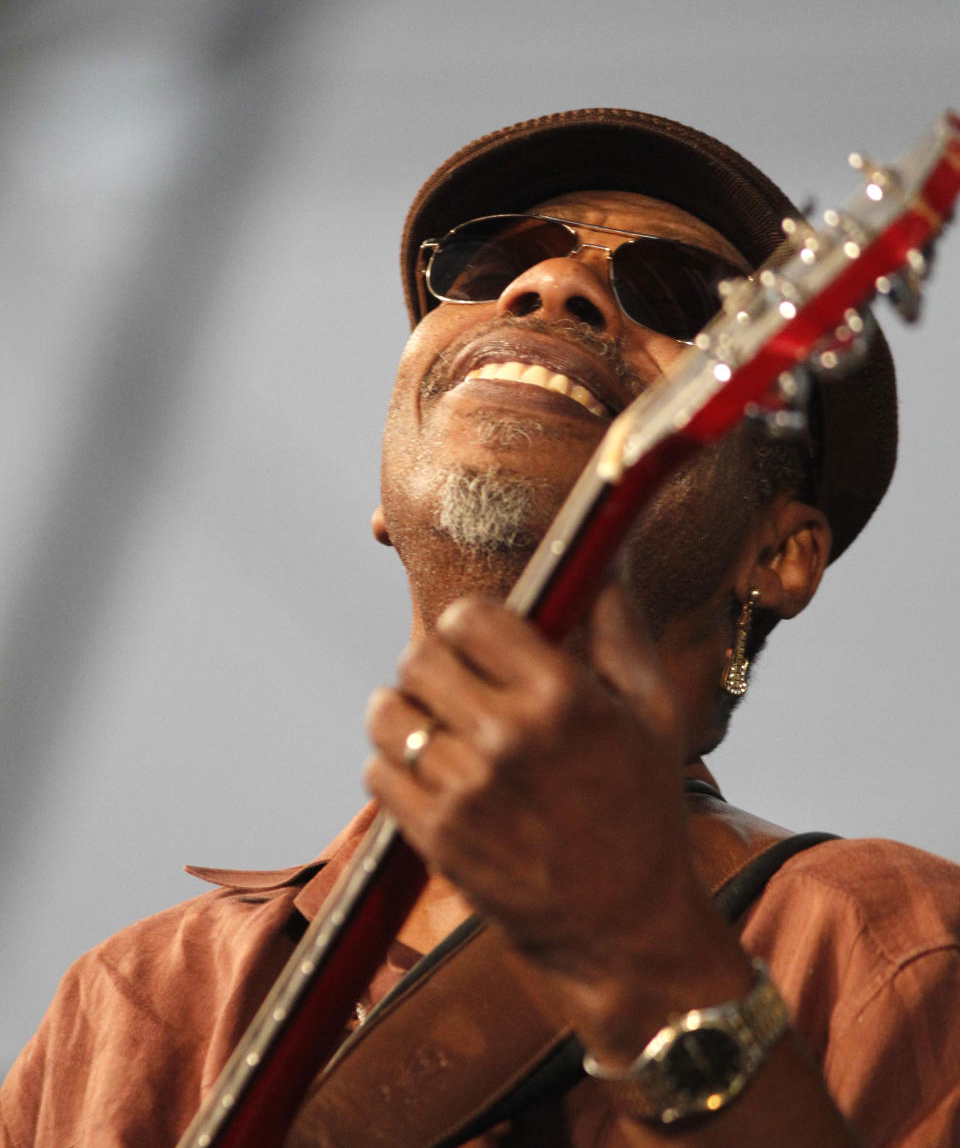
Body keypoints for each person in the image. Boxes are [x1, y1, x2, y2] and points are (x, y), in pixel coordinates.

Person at [3, 108, 959, 1147]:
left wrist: (646, 951)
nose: (551, 287)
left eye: (680, 298)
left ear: (780, 555)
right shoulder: (134, 1005)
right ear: (383, 493)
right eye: (493, 259)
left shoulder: (889, 943)